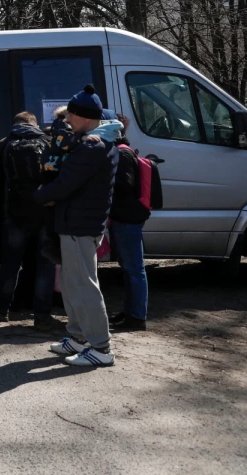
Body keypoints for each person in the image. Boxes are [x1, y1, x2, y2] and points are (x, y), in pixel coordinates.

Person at [33, 85, 122, 367]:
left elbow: (65, 183)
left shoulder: (91, 146)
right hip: (77, 223)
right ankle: (78, 336)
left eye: (71, 114)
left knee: (84, 286)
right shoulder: (96, 142)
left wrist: (39, 196)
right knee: (73, 284)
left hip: (80, 226)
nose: (67, 119)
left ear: (83, 116)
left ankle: (100, 347)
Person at [0, 112, 60, 332]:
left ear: (14, 125)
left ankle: (1, 308)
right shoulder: (47, 142)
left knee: (10, 263)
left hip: (15, 214)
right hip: (45, 212)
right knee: (45, 264)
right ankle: (42, 316)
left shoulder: (2, 145)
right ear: (34, 124)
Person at [108, 117, 149, 333]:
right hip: (125, 218)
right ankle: (131, 312)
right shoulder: (123, 150)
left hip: (127, 219)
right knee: (129, 268)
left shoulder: (121, 153)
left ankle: (137, 317)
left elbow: (125, 184)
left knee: (134, 269)